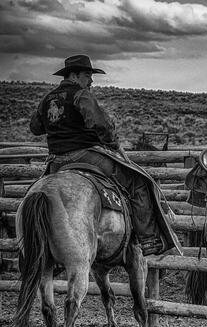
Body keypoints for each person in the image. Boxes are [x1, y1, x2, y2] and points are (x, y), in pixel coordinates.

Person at [29, 54, 180, 256]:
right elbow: (100, 124)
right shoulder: (81, 95)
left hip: (56, 163)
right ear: (74, 75)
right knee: (138, 182)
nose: (90, 81)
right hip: (85, 156)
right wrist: (113, 143)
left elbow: (35, 128)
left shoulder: (47, 99)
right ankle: (149, 239)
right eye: (87, 75)